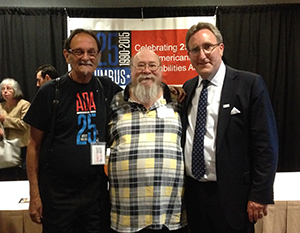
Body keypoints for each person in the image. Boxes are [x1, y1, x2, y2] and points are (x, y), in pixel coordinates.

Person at [182, 22, 278, 233]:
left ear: (221, 48)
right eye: (195, 50)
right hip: (194, 195)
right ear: (188, 55)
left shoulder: (249, 84)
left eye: (208, 46)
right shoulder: (188, 89)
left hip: (235, 197)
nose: (202, 55)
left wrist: (259, 194)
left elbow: (266, 143)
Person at [24, 29, 122, 233]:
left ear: (99, 56)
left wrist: (171, 91)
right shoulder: (50, 92)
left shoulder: (107, 88)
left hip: (95, 193)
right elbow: (33, 146)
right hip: (58, 195)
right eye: (79, 52)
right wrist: (34, 195)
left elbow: (140, 93)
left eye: (91, 52)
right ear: (67, 55)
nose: (86, 57)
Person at [108, 49, 187, 233]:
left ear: (161, 70)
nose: (147, 70)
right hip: (126, 214)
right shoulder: (114, 103)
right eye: (140, 66)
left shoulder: (178, 101)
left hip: (170, 214)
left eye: (152, 65)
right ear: (131, 70)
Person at [0, 78, 30, 180]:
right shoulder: (0, 106)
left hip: (22, 147)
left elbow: (25, 124)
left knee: (23, 176)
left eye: (8, 89)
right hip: (5, 147)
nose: (5, 91)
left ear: (16, 90)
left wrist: (5, 119)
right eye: (3, 89)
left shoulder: (24, 105)